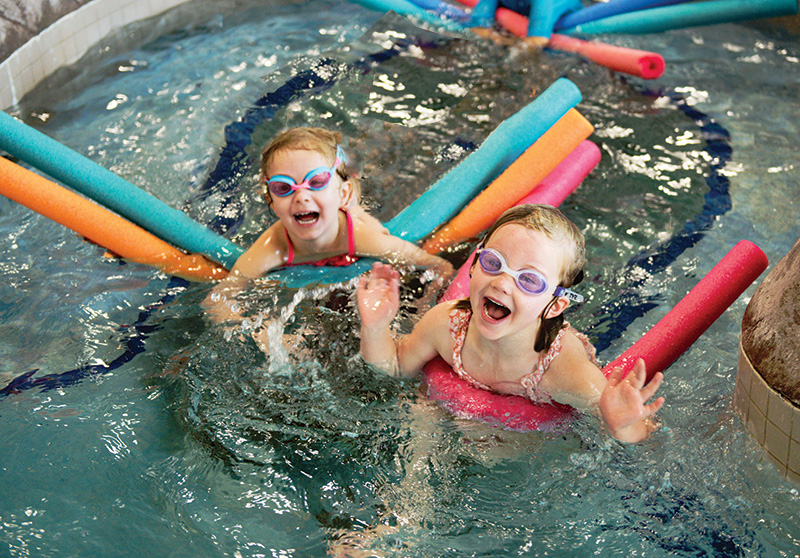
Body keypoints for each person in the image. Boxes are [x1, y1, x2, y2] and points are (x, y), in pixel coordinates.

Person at [357, 204, 664, 443]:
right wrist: (374, 327)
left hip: (524, 445)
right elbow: (396, 365)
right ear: (474, 266)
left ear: (554, 305)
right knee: (421, 416)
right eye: (494, 263)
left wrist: (622, 425)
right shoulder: (446, 325)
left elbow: (640, 432)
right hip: (452, 420)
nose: (503, 283)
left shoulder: (562, 369)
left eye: (529, 280)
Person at [205, 127, 452, 324]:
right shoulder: (273, 246)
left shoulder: (362, 237)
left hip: (350, 215)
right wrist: (259, 336)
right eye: (283, 187)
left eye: (316, 181)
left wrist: (423, 309)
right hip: (333, 207)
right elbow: (216, 300)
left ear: (341, 195)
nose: (300, 197)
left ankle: (346, 183)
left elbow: (439, 266)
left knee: (360, 209)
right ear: (270, 202)